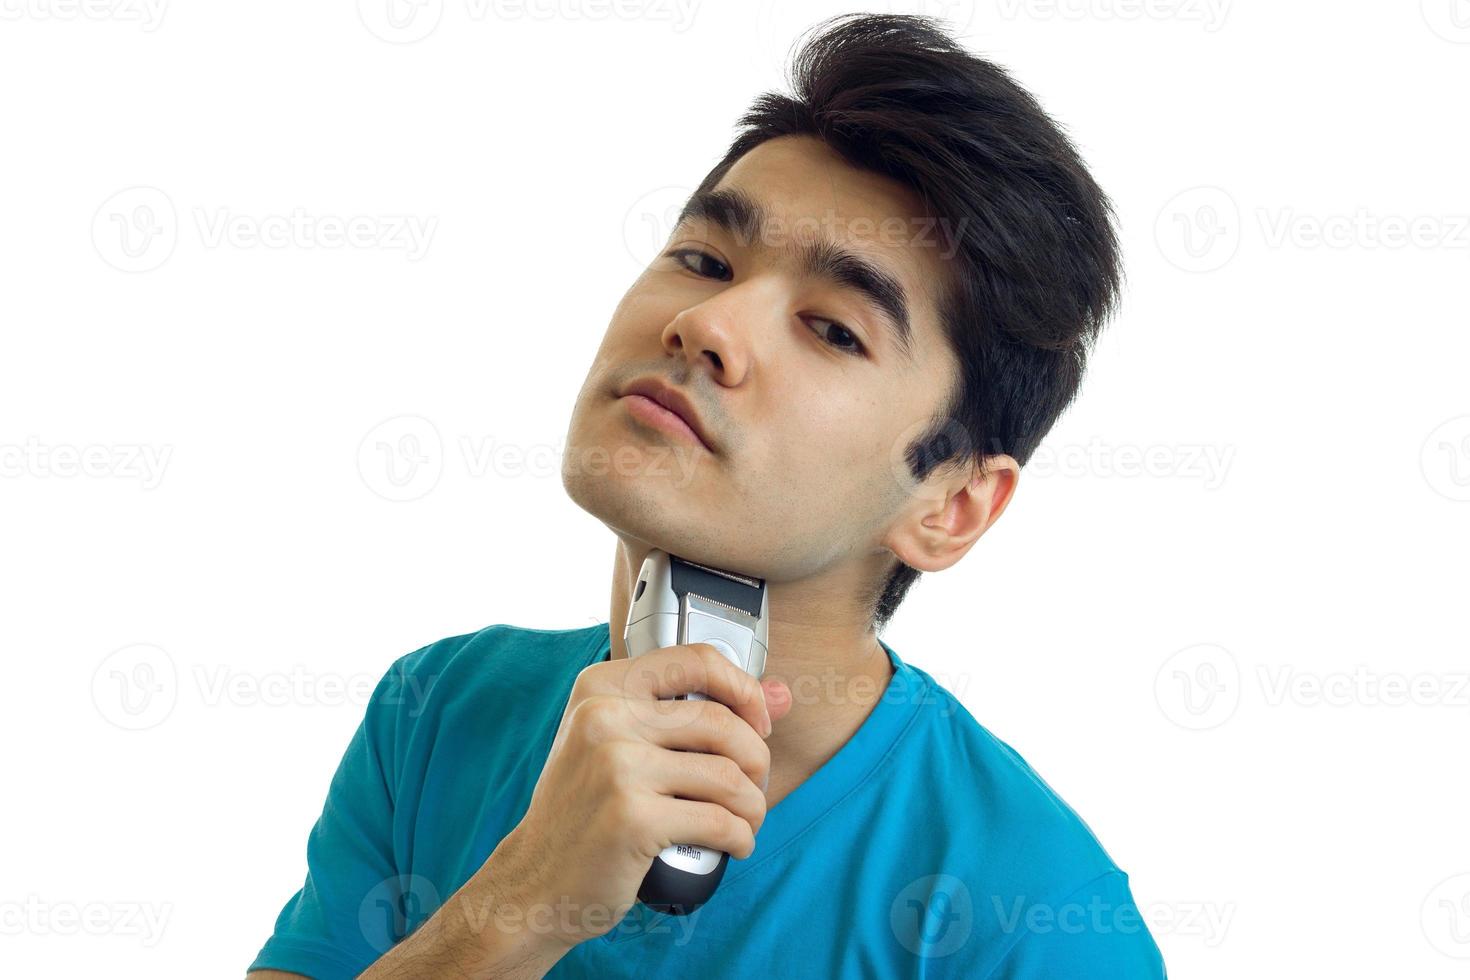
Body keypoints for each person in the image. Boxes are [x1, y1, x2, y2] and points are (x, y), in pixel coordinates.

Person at [248, 12, 1167, 978]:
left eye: (833, 329)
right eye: (707, 260)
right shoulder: (435, 714)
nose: (706, 322)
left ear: (952, 504)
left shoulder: (1031, 911)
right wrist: (522, 901)